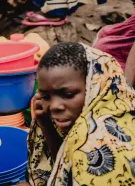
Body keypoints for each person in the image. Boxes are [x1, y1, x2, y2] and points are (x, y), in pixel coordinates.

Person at [23, 43, 135, 186]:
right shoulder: (104, 112)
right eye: (45, 97)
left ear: (94, 87)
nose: (54, 106)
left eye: (68, 94)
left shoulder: (100, 144)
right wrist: (46, 126)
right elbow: (66, 163)